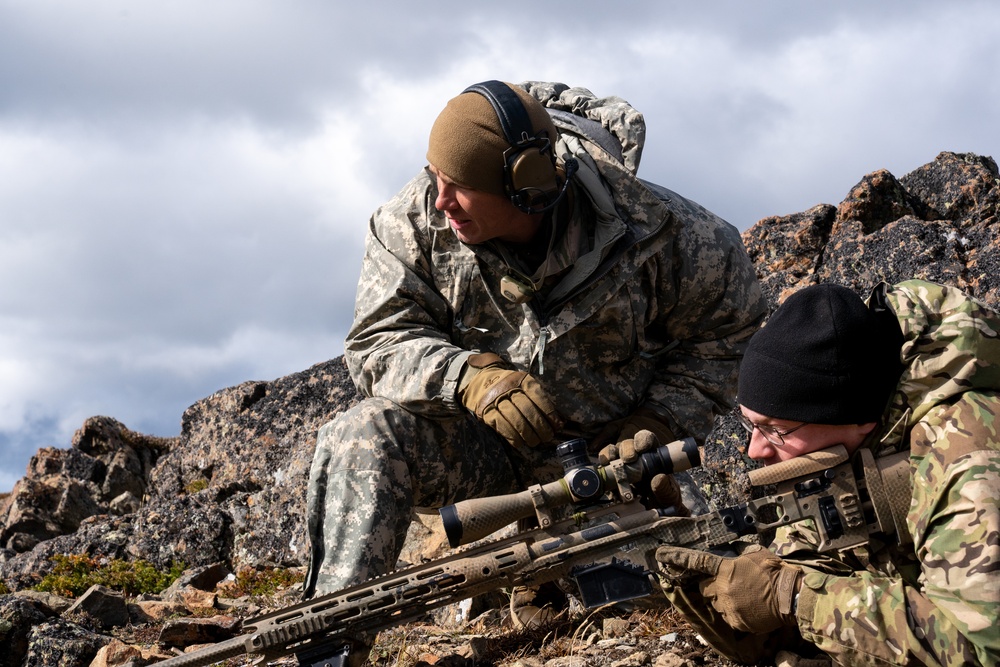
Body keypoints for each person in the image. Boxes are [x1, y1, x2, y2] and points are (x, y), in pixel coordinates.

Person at [302, 79, 766, 645]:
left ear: (527, 189)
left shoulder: (673, 236)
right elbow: (378, 340)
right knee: (362, 432)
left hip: (615, 464)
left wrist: (660, 421)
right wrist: (467, 378)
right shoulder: (413, 222)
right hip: (483, 457)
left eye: (461, 186)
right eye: (434, 176)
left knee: (669, 609)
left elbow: (729, 338)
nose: (440, 200)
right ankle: (329, 644)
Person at [655, 280, 1000, 666]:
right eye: (750, 424)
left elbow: (981, 653)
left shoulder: (970, 459)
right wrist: (691, 558)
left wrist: (799, 596)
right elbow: (789, 620)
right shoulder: (841, 458)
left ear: (857, 420)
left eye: (775, 430)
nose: (755, 450)